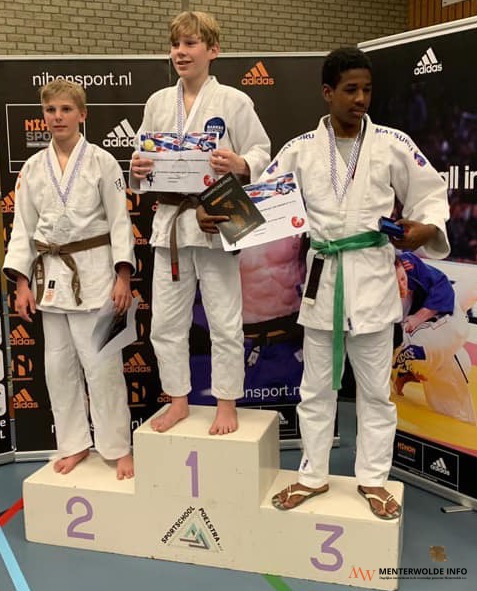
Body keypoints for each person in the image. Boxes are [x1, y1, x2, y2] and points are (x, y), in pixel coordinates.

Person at [266, 47, 450, 519]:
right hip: (324, 278)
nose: (361, 99)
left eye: (367, 90)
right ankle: (312, 475)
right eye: (350, 90)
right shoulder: (299, 149)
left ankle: (373, 478)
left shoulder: (392, 143)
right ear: (328, 92)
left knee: (375, 393)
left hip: (372, 279)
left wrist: (425, 229)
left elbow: (431, 194)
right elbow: (262, 202)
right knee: (315, 390)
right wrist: (220, 214)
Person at [130, 11, 270, 436]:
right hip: (171, 223)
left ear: (213, 50)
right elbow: (140, 160)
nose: (180, 52)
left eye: (190, 44)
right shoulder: (158, 102)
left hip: (217, 220)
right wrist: (137, 167)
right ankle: (178, 401)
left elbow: (262, 151)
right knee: (165, 324)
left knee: (224, 321)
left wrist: (241, 163)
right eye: (176, 44)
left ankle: (226, 402)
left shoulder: (233, 101)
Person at [2, 80, 136, 479]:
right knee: (58, 369)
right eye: (51, 110)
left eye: (65, 109)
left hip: (95, 275)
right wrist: (21, 284)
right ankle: (74, 443)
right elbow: (23, 229)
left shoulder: (101, 162)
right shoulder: (33, 167)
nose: (57, 117)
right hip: (50, 279)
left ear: (82, 114)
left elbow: (120, 222)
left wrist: (123, 276)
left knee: (103, 367)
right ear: (42, 116)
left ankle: (117, 447)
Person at [393, 252, 476, 424]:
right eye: (396, 283)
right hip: (428, 337)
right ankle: (408, 372)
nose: (402, 286)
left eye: (402, 279)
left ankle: (409, 372)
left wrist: (420, 316)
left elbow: (441, 284)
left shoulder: (408, 265)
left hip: (440, 315)